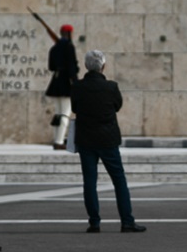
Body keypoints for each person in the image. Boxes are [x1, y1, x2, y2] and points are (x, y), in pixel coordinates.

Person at [70, 50, 145, 234]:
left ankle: (94, 222)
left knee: (89, 182)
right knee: (119, 181)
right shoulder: (111, 87)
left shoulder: (78, 87)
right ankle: (127, 221)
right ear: (103, 66)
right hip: (108, 140)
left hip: (86, 140)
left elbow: (74, 108)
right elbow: (117, 106)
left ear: (87, 66)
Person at [45, 24, 79, 150]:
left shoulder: (54, 48)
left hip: (56, 82)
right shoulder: (69, 47)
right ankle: (59, 141)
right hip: (66, 83)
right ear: (69, 33)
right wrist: (76, 83)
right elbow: (72, 68)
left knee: (58, 114)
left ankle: (56, 140)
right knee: (65, 114)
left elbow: (51, 67)